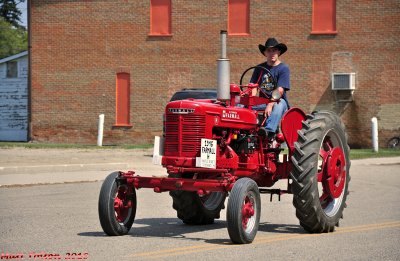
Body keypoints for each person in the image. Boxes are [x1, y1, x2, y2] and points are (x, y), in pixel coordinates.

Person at [250, 37, 290, 139]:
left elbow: (280, 90)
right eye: (269, 50)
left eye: (274, 50)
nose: (272, 53)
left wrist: (270, 104)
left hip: (278, 101)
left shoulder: (283, 68)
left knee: (279, 104)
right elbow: (253, 87)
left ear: (279, 52)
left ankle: (268, 131)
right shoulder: (259, 68)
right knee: (240, 105)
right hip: (261, 102)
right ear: (265, 53)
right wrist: (250, 99)